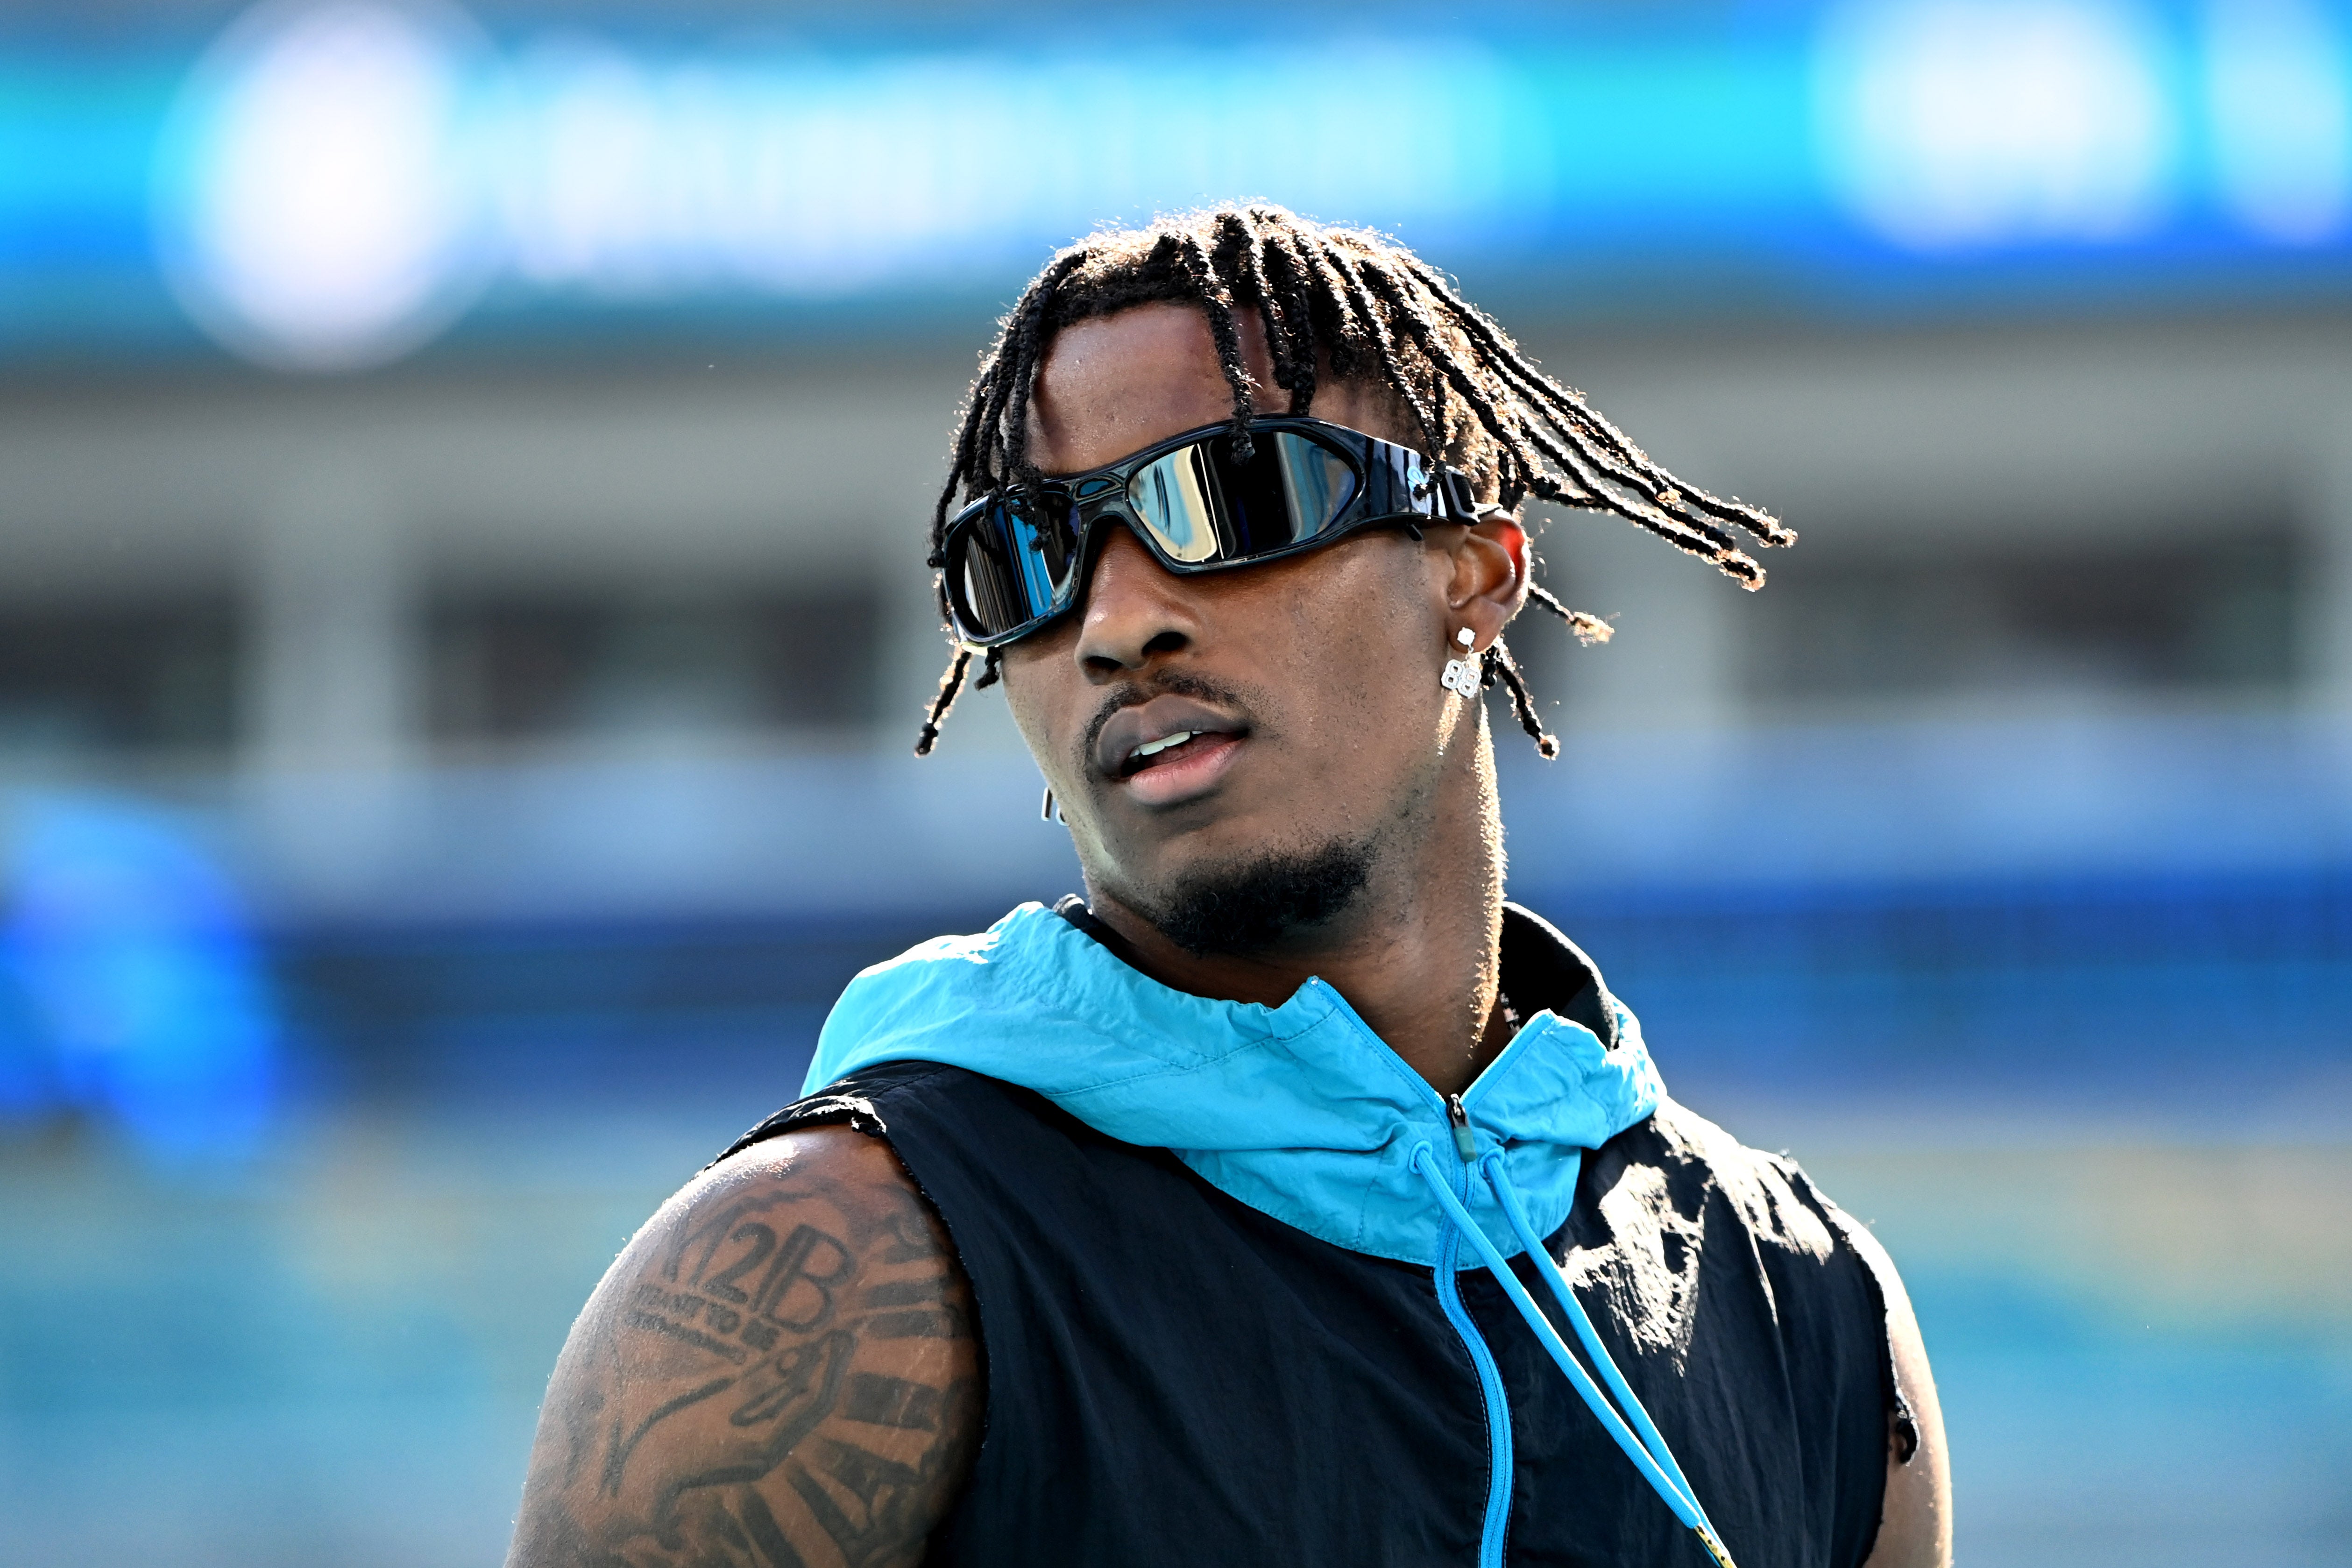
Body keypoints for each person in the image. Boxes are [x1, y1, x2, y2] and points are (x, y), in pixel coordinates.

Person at [506, 206, 1951, 1568]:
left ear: (1476, 569)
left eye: (1235, 494)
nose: (1120, 621)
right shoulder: (829, 1275)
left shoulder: (1809, 1310)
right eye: (1030, 558)